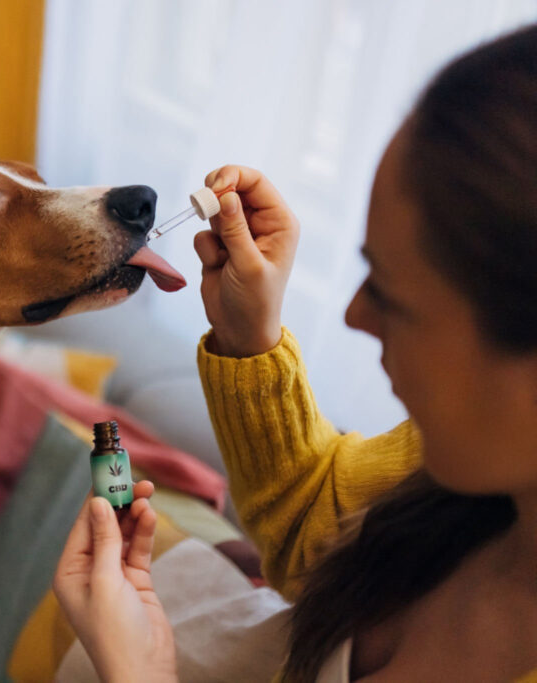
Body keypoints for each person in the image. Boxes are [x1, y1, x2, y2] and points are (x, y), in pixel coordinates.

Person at [53, 23, 537, 682]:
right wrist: (250, 339)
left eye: (392, 295)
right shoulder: (460, 471)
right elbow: (318, 526)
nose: (353, 315)